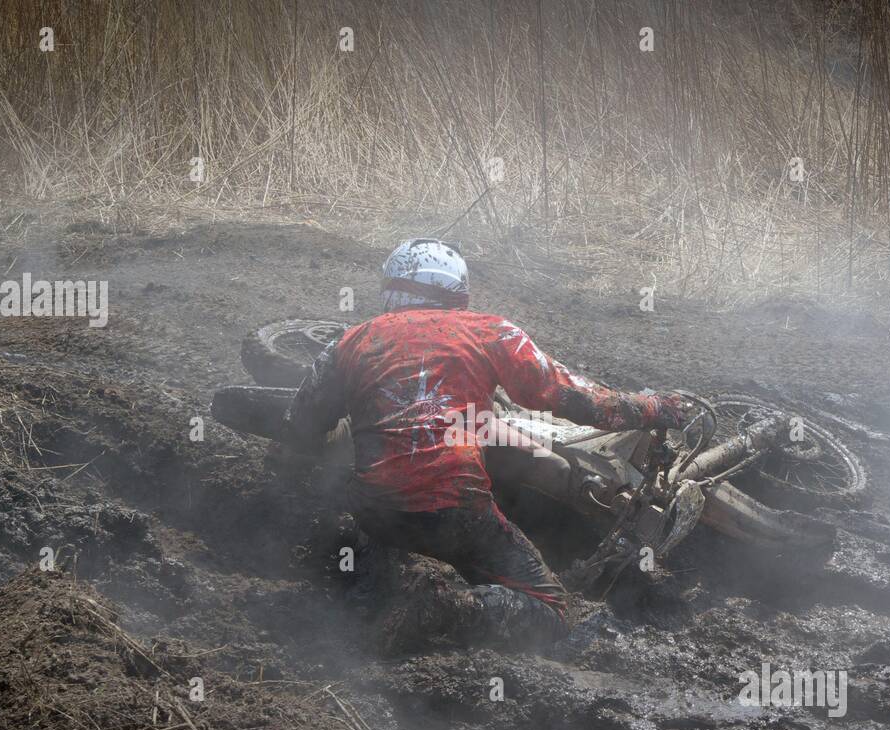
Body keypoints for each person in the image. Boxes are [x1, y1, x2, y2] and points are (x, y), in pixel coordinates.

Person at [286, 238, 688, 649]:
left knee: (387, 524)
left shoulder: (350, 342)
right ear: (458, 291)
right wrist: (654, 407)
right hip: (456, 511)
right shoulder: (491, 332)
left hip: (374, 512)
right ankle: (454, 609)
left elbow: (302, 425)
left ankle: (380, 577)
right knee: (552, 610)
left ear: (390, 286)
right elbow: (574, 398)